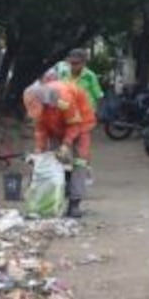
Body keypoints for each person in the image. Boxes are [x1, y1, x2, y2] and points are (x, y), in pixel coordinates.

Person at [23, 76, 97, 218]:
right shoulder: (37, 102)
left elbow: (74, 125)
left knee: (79, 162)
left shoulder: (64, 99)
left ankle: (74, 203)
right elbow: (41, 130)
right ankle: (55, 200)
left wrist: (66, 144)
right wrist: (39, 150)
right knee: (55, 160)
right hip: (57, 127)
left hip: (81, 125)